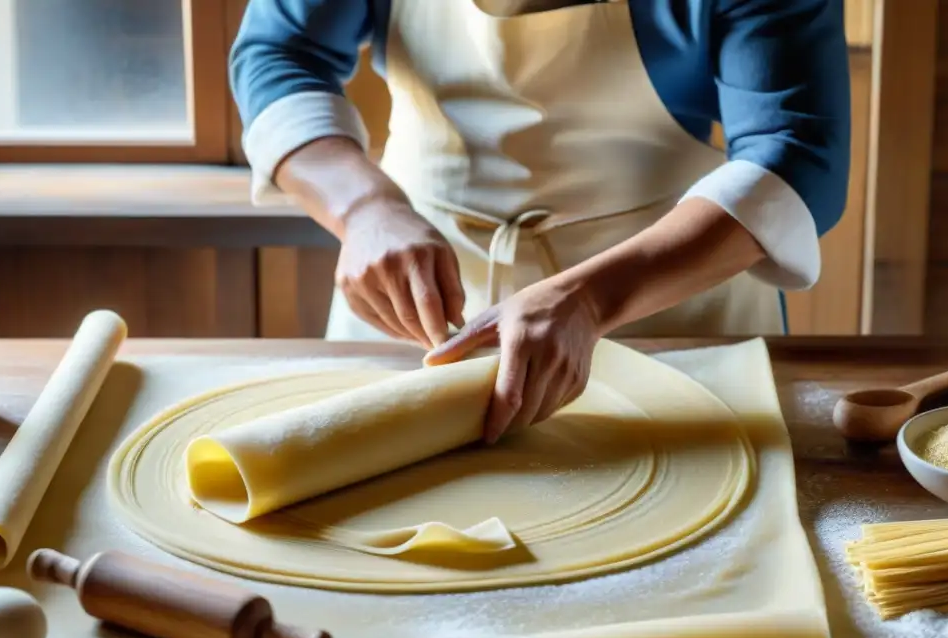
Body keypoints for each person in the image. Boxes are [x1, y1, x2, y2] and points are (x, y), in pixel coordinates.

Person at [230, 0, 851, 442]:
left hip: (664, 295)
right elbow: (280, 53)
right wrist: (366, 209)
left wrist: (590, 301)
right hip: (415, 293)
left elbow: (796, 150)